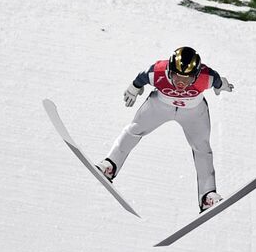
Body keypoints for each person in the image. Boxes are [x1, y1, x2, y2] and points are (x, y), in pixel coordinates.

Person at [98, 46, 234, 212]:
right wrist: (133, 89)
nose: (181, 83)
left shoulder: (208, 77)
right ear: (169, 70)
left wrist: (223, 86)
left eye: (188, 78)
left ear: (197, 75)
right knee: (135, 129)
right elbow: (140, 78)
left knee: (202, 148)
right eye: (177, 76)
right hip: (160, 105)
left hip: (193, 112)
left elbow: (218, 81)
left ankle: (208, 195)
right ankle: (109, 165)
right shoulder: (157, 72)